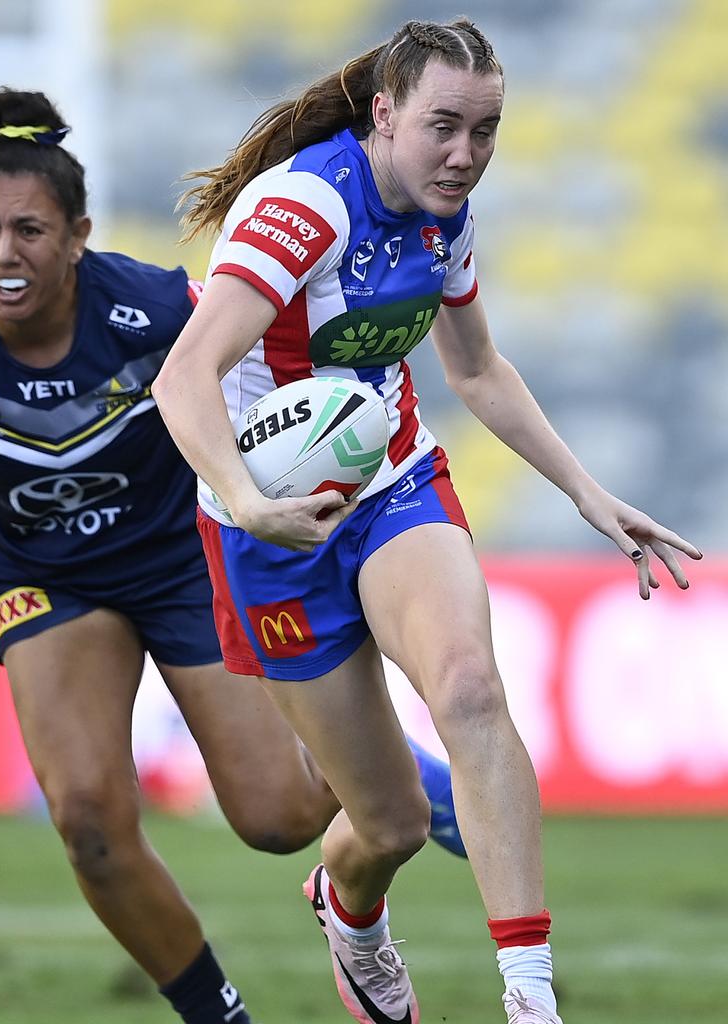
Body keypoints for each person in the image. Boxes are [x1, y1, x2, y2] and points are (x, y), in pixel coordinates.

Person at [151, 16, 704, 1024]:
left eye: (485, 131)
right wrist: (248, 503)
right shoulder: (303, 207)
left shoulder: (447, 217)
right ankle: (348, 909)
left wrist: (588, 494)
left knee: (471, 687)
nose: (465, 155)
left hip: (392, 480)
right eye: (444, 126)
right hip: (265, 524)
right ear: (385, 114)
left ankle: (531, 999)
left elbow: (477, 369)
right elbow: (185, 375)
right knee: (390, 824)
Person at [0, 87, 466, 1024]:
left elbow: (268, 372)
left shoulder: (154, 310)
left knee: (278, 820)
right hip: (45, 578)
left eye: (29, 230)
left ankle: (386, 764)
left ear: (77, 236)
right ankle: (216, 1015)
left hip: (181, 558)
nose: (3, 253)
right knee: (87, 825)